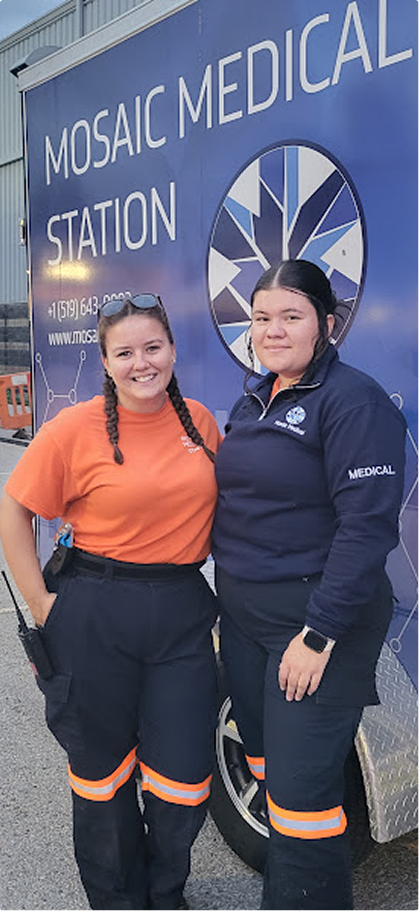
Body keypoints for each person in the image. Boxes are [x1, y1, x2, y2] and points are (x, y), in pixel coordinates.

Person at [0, 293, 222, 911]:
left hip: (180, 611)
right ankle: (118, 900)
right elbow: (13, 509)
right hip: (93, 608)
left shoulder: (199, 422)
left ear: (173, 351)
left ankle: (163, 890)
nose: (142, 363)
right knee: (102, 779)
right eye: (125, 352)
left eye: (153, 348)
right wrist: (41, 604)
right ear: (105, 360)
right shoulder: (74, 428)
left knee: (184, 780)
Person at [211, 260, 406, 911]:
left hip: (314, 627)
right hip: (244, 621)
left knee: (299, 804)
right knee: (267, 773)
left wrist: (317, 634)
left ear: (326, 323)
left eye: (289, 316)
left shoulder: (352, 400)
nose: (272, 329)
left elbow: (365, 530)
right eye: (261, 316)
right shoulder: (256, 396)